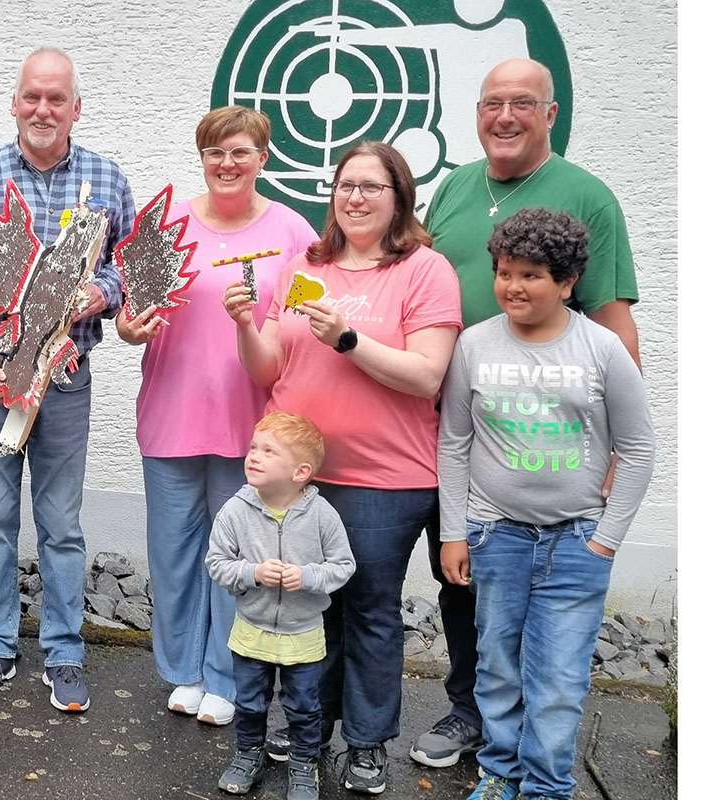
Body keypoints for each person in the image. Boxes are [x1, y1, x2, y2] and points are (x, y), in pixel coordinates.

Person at [413, 57, 644, 769]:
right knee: (462, 580)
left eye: (522, 103)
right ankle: (469, 714)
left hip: (538, 439)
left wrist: (612, 450)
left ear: (550, 114)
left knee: (539, 610)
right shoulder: (454, 184)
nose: (504, 116)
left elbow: (613, 323)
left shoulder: (588, 196)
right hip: (454, 427)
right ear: (476, 113)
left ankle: (535, 752)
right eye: (491, 103)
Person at [224, 141, 462, 794]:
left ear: (398, 198)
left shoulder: (424, 271)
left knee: (367, 609)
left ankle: (366, 741)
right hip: (300, 475)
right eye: (345, 185)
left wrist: (350, 341)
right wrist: (246, 327)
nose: (354, 197)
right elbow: (270, 366)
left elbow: (427, 374)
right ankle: (309, 727)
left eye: (370, 186)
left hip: (385, 479)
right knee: (307, 605)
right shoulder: (309, 263)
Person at [0, 47, 136, 713]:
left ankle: (65, 650)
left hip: (66, 379)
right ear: (15, 104)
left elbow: (130, 265)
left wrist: (100, 293)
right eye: (31, 97)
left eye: (56, 99)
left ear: (76, 108)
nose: (42, 109)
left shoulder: (106, 179)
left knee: (60, 522)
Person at [437, 208, 655, 800]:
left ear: (566, 282)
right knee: (497, 667)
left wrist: (605, 540)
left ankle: (546, 787)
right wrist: (453, 531)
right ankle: (500, 772)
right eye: (505, 272)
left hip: (576, 540)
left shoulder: (603, 349)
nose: (512, 286)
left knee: (558, 677)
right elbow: (454, 442)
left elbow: (638, 450)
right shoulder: (474, 346)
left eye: (531, 275)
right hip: (494, 536)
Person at [117, 105, 318, 727]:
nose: (226, 164)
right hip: (172, 414)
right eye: (214, 153)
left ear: (264, 156)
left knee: (237, 555)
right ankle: (182, 671)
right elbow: (132, 311)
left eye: (239, 152)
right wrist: (127, 327)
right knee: (175, 552)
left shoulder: (292, 231)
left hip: (251, 424)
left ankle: (228, 674)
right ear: (201, 158)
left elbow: (305, 323)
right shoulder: (166, 222)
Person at [205, 412, 355, 800]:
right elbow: (217, 564)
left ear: (300, 471)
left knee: (304, 706)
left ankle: (304, 766)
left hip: (302, 633)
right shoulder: (236, 511)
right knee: (251, 702)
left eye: (269, 451)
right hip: (251, 630)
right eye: (254, 447)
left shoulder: (322, 516)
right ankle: (248, 755)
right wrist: (253, 572)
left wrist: (307, 577)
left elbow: (343, 566)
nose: (254, 456)